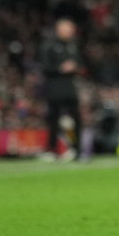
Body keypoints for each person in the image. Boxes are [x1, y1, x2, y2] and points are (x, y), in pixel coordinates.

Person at [39, 18, 83, 162]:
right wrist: (60, 69)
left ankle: (77, 149)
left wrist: (75, 67)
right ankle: (52, 149)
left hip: (69, 87)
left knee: (76, 118)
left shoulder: (73, 46)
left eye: (71, 30)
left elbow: (80, 63)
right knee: (54, 119)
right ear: (59, 30)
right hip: (54, 87)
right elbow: (44, 66)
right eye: (67, 29)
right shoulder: (49, 46)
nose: (69, 32)